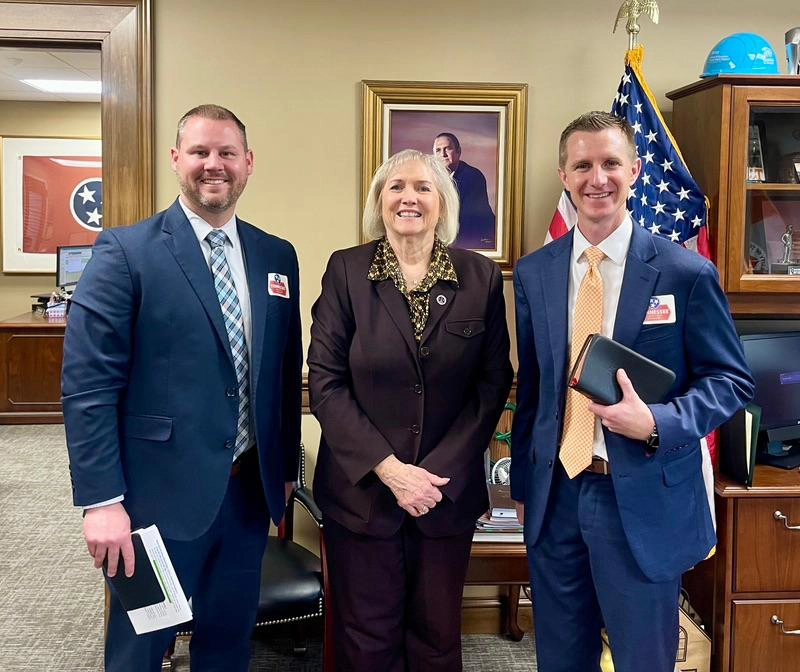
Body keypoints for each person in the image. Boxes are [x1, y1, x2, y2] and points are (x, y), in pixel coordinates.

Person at [62, 104, 302, 672]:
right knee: (140, 648)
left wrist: (284, 467)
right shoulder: (126, 252)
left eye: (226, 153)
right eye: (199, 152)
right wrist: (101, 501)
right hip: (154, 501)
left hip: (246, 496)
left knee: (227, 645)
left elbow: (283, 370)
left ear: (248, 163)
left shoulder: (276, 256)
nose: (213, 165)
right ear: (176, 160)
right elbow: (88, 386)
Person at [510, 111, 754, 672]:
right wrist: (524, 484)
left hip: (640, 499)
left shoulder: (684, 272)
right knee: (560, 658)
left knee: (644, 659)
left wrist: (657, 424)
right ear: (564, 175)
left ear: (635, 170)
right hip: (556, 498)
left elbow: (731, 380)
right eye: (583, 165)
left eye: (611, 163)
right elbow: (536, 391)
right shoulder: (535, 272)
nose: (598, 178)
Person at [308, 148, 513, 671]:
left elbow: (492, 384)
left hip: (444, 495)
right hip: (363, 493)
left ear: (443, 203)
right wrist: (392, 471)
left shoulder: (480, 278)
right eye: (396, 187)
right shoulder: (347, 270)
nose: (409, 198)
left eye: (423, 187)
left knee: (437, 636)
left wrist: (430, 476)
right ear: (380, 201)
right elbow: (326, 381)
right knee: (364, 637)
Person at [433, 132, 496, 250]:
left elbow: (468, 222)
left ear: (458, 151)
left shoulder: (472, 177)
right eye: (438, 150)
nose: (443, 154)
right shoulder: (431, 178)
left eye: (448, 149)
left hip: (474, 239)